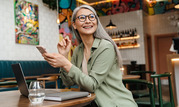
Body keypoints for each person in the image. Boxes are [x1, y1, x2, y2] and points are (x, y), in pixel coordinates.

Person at [42, 5, 137, 107]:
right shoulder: (79, 50)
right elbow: (68, 82)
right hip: (90, 103)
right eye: (82, 18)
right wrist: (64, 56)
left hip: (115, 103)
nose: (87, 21)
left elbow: (92, 85)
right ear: (74, 24)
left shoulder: (105, 47)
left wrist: (66, 63)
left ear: (96, 21)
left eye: (91, 17)